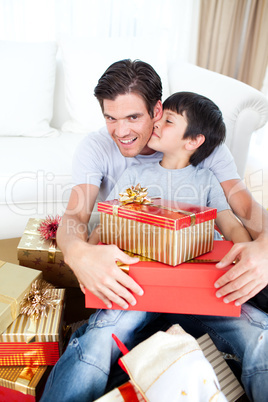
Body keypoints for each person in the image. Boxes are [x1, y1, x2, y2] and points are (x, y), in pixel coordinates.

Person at [41, 90, 267, 402]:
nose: (157, 124)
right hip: (138, 287)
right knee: (100, 334)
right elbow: (110, 222)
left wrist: (247, 260)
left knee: (261, 332)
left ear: (193, 141)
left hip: (201, 289)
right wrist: (86, 256)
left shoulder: (207, 178)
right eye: (160, 118)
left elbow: (230, 224)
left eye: (168, 121)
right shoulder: (134, 173)